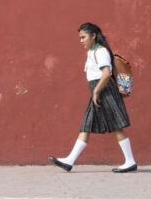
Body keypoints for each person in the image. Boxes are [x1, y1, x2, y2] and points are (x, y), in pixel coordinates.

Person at [49, 22, 137, 173]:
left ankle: (130, 161)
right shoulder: (92, 51)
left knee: (116, 127)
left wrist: (96, 91)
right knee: (87, 125)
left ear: (93, 36)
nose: (81, 40)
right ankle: (70, 160)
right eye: (80, 38)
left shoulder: (100, 51)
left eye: (83, 37)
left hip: (105, 91)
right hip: (99, 91)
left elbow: (106, 74)